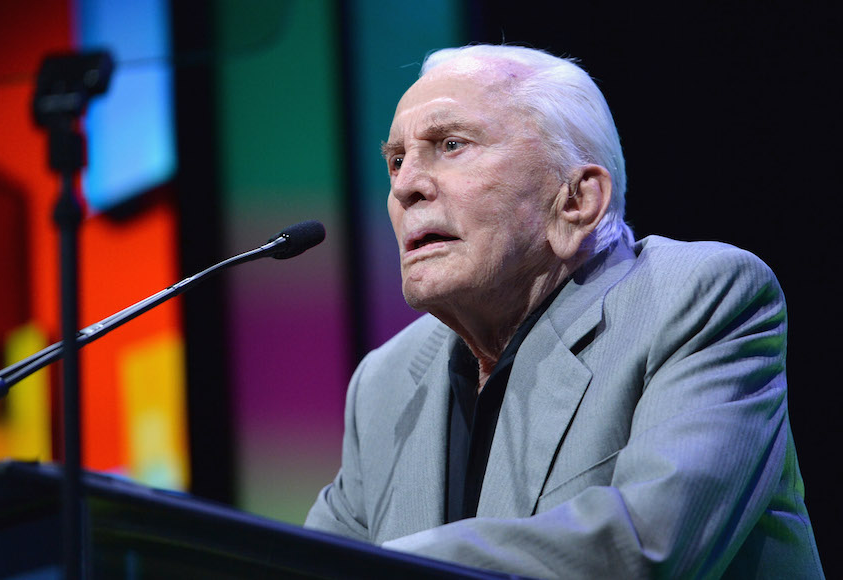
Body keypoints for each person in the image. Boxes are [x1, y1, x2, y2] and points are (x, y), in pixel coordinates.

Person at [305, 44, 824, 578]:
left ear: (576, 200)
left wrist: (376, 568)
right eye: (395, 159)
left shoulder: (697, 297)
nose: (405, 185)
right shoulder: (384, 382)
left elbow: (644, 546)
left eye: (451, 144)